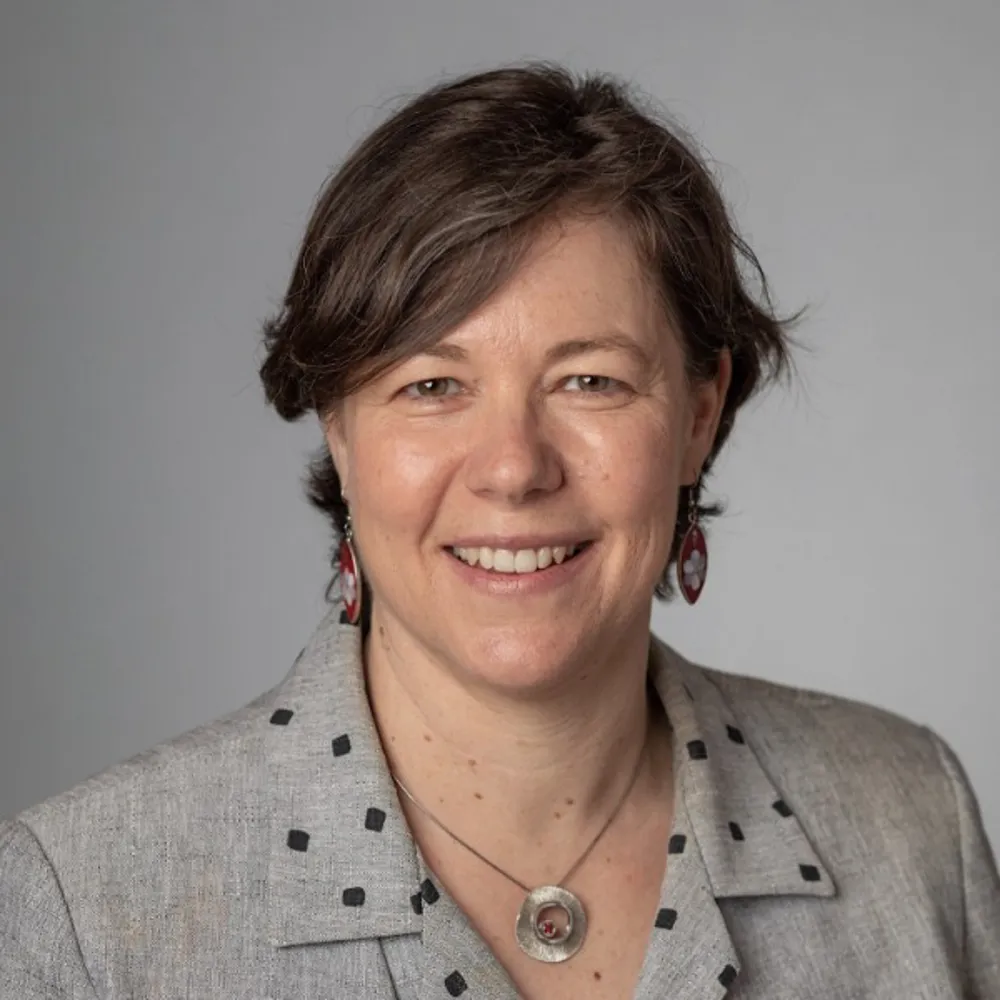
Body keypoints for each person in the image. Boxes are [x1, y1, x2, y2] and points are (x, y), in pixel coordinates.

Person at [1, 62, 997, 1000]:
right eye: (433, 385)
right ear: (338, 428)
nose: (514, 467)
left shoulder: (912, 825)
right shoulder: (85, 908)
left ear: (699, 415)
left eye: (589, 380)